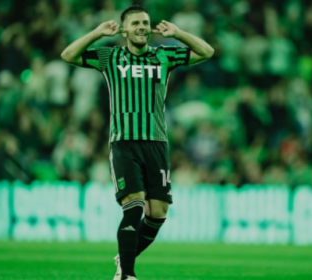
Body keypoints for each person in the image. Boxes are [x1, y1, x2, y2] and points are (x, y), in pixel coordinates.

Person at [61, 5, 214, 280]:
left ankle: (125, 256)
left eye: (145, 22)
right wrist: (97, 33)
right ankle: (126, 275)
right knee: (134, 206)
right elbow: (68, 55)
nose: (142, 26)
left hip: (157, 143)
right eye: (135, 23)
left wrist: (178, 33)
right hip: (124, 143)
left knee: (158, 213)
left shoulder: (163, 55)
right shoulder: (110, 57)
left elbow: (207, 52)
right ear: (124, 30)